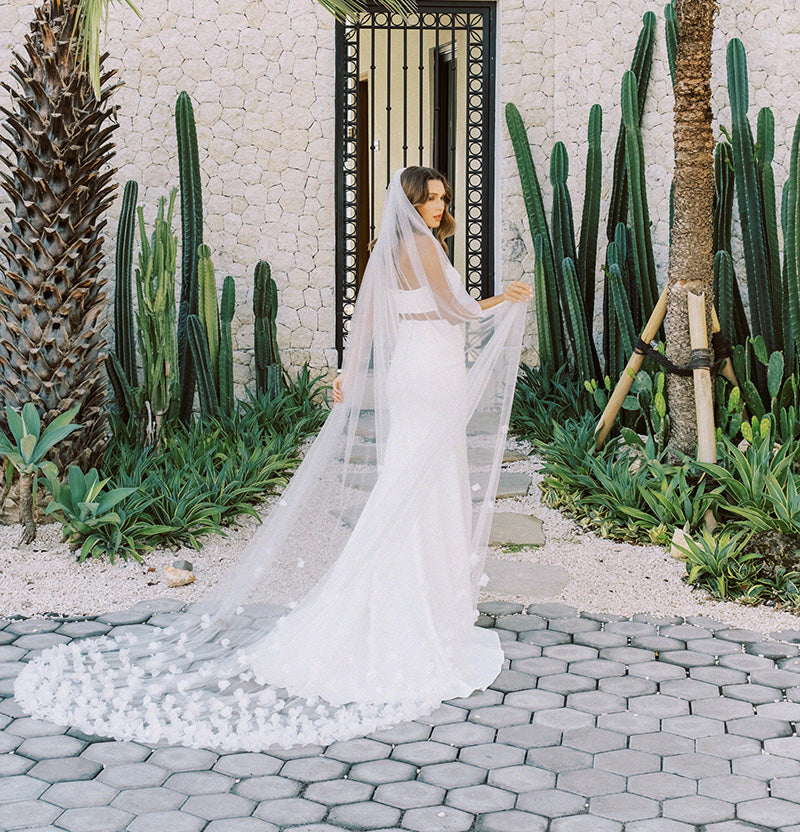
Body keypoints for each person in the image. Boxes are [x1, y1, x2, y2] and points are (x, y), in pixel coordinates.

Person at [15, 166, 530, 751]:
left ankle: (391, 596)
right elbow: (456, 312)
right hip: (431, 374)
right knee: (426, 482)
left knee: (405, 480)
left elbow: (365, 319)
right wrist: (503, 299)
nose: (438, 206)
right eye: (430, 198)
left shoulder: (386, 252)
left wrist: (346, 370)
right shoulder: (425, 250)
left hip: (409, 374)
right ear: (410, 204)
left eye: (442, 198)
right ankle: (418, 608)